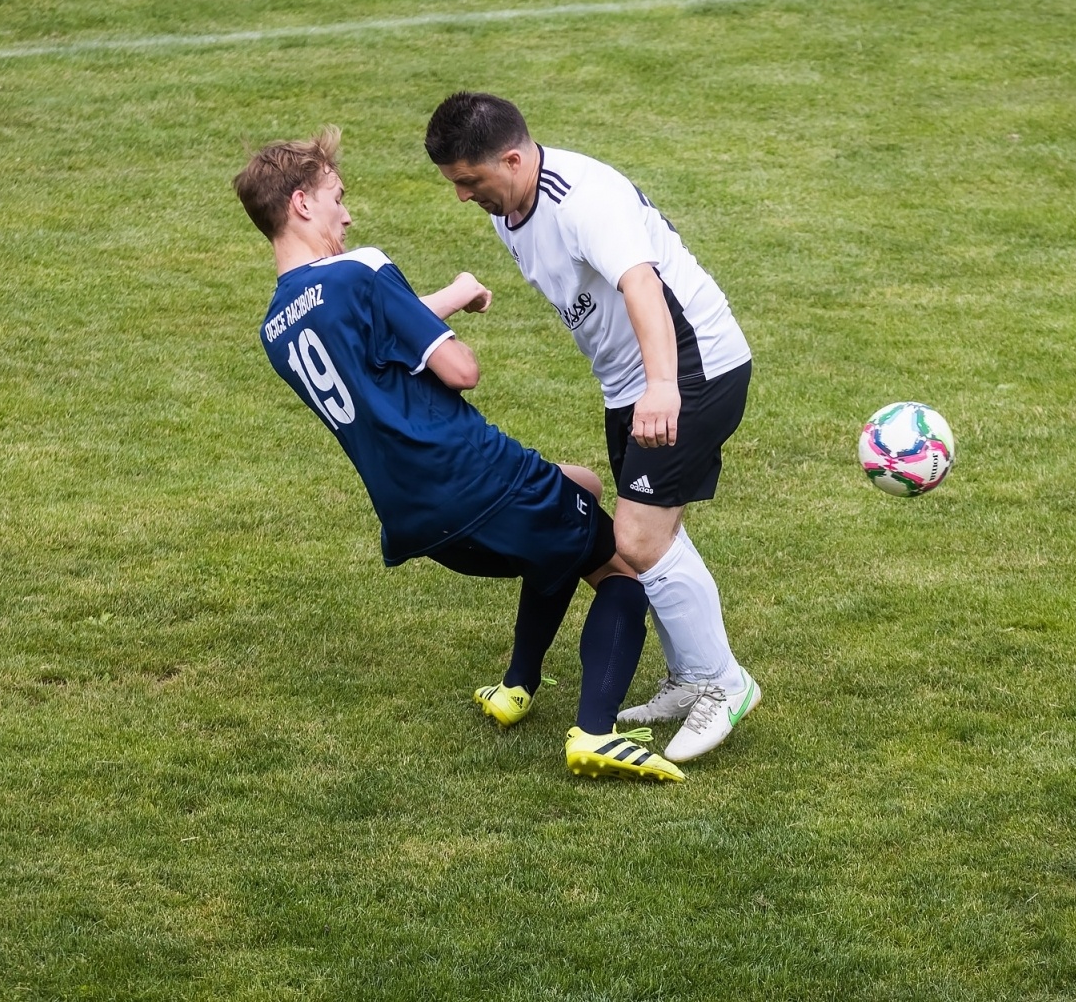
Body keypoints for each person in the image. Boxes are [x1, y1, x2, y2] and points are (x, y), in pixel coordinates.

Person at [234, 126, 683, 782]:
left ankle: (516, 687)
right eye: (336, 197)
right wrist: (447, 328)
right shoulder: (361, 267)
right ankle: (595, 731)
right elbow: (458, 368)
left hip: (416, 516)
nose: (347, 212)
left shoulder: (278, 326)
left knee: (576, 491)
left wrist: (450, 293)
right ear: (301, 203)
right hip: (477, 477)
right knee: (622, 565)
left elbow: (372, 346)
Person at [423, 92, 760, 763]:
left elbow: (641, 285)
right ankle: (693, 674)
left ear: (512, 158)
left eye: (470, 180)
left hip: (690, 365)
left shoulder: (584, 199)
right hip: (630, 382)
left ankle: (726, 683)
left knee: (637, 536)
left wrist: (663, 386)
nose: (462, 197)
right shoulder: (509, 209)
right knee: (656, 536)